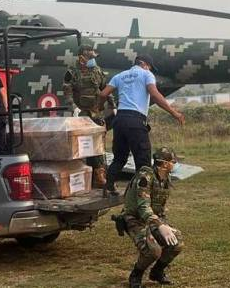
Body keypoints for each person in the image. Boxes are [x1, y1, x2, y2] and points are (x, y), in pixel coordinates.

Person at [98, 54, 184, 194]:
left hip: (119, 120)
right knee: (143, 160)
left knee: (119, 158)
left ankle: (108, 187)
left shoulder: (120, 76)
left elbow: (103, 95)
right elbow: (154, 94)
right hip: (135, 121)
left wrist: (100, 108)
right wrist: (174, 113)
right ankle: (141, 194)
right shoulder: (146, 74)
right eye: (149, 67)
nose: (149, 69)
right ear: (144, 64)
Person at [112, 147, 184, 288]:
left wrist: (163, 223)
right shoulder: (145, 178)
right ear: (164, 164)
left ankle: (157, 272)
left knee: (177, 243)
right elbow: (143, 207)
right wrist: (160, 225)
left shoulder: (164, 178)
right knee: (152, 250)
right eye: (173, 161)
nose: (174, 164)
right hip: (134, 219)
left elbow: (159, 206)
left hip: (153, 219)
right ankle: (136, 275)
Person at [63, 44, 115, 187]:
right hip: (81, 114)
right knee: (81, 146)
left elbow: (105, 89)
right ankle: (82, 176)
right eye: (90, 57)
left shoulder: (97, 71)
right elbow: (67, 93)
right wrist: (73, 108)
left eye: (93, 57)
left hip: (96, 113)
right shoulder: (72, 72)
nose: (93, 60)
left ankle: (100, 176)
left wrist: (113, 105)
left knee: (98, 145)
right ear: (81, 58)